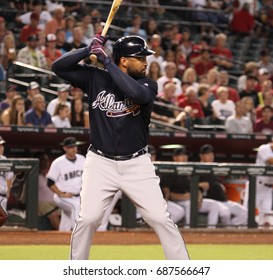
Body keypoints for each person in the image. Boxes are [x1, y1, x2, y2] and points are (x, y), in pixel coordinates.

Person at [52, 34, 189, 260]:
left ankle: (183, 269)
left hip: (137, 163)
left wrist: (106, 61)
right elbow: (58, 67)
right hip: (100, 162)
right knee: (87, 219)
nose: (146, 62)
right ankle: (76, 269)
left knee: (159, 218)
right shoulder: (95, 78)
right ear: (124, 60)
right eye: (140, 57)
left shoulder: (147, 84)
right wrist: (87, 50)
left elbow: (136, 94)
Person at [198, 144, 248, 227]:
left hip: (223, 200)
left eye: (212, 154)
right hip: (211, 201)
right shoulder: (198, 169)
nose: (211, 157)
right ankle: (225, 231)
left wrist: (220, 185)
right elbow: (192, 185)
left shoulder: (214, 167)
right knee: (225, 213)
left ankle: (229, 229)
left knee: (245, 213)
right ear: (201, 156)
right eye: (207, 154)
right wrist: (200, 185)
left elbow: (214, 182)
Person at [46, 137, 85, 231]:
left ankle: (62, 237)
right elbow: (50, 182)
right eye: (71, 147)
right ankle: (78, 233)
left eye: (75, 146)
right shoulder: (58, 162)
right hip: (63, 196)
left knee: (66, 220)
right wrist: (61, 194)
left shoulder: (82, 159)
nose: (73, 149)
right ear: (65, 148)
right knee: (75, 207)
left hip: (77, 196)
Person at [37, 152, 60, 230]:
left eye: (46, 161)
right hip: (41, 203)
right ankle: (64, 235)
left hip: (54, 202)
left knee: (68, 211)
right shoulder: (33, 174)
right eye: (42, 161)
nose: (45, 163)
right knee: (53, 214)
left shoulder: (50, 174)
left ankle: (71, 232)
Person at [255, 141, 273, 226]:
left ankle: (260, 238)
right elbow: (270, 161)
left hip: (268, 189)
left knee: (266, 219)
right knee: (247, 213)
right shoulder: (264, 148)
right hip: (256, 186)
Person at [0, 136, 14, 211]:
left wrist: (7, 193)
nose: (1, 148)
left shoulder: (4, 159)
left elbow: (9, 178)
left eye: (2, 145)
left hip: (2, 197)